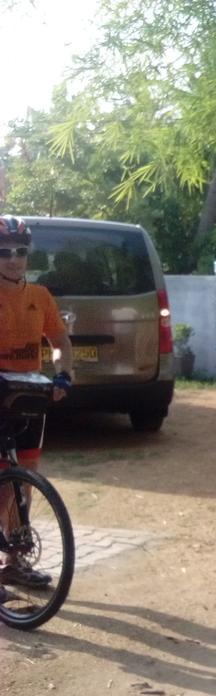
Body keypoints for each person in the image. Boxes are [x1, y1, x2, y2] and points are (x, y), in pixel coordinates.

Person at [0, 216, 73, 602]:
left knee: (23, 480)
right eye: (4, 252)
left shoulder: (40, 295)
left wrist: (63, 374)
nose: (13, 260)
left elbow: (58, 338)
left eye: (20, 252)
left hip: (27, 393)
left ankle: (14, 561)